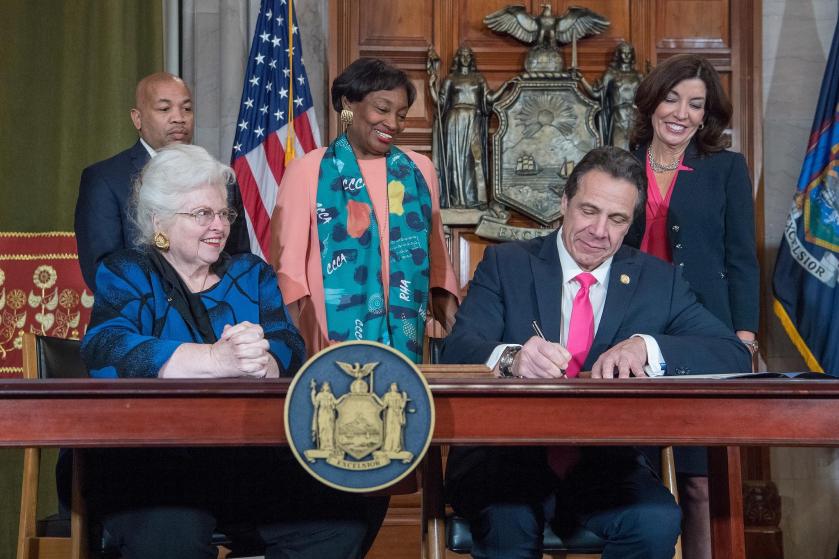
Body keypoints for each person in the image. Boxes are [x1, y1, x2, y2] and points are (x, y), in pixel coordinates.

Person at [440, 146, 751, 559]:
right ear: (565, 203)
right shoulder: (506, 264)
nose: (599, 230)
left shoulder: (658, 282)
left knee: (655, 520)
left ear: (630, 224)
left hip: (606, 463)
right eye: (589, 211)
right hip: (505, 457)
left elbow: (731, 354)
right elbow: (457, 351)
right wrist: (512, 358)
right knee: (508, 518)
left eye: (617, 219)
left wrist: (647, 347)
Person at [79, 144, 383, 559]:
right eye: (202, 214)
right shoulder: (127, 271)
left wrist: (265, 361)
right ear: (158, 221)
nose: (219, 226)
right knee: (173, 536)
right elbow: (106, 347)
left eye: (224, 213)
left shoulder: (250, 273)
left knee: (342, 517)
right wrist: (213, 360)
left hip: (245, 461)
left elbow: (289, 343)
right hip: (150, 464)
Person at [625, 53, 760, 559]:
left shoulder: (726, 168)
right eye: (672, 98)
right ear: (652, 103)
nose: (681, 113)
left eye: (696, 104)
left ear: (707, 115)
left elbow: (741, 257)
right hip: (629, 332)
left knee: (700, 477)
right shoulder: (620, 164)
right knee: (631, 472)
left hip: (704, 332)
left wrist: (744, 335)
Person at [271, 57, 459, 363]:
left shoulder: (420, 170)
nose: (393, 124)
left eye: (401, 115)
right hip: (326, 344)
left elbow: (437, 264)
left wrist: (460, 343)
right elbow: (288, 273)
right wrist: (288, 355)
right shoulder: (307, 171)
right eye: (382, 109)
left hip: (406, 342)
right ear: (349, 104)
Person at [74, 71, 249, 291]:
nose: (179, 118)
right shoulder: (105, 179)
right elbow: (103, 273)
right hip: (143, 309)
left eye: (187, 109)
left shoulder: (220, 177)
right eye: (165, 109)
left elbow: (239, 259)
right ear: (137, 119)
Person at [429, 46, 490, 208]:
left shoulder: (479, 78)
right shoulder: (450, 79)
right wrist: (431, 85)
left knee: (475, 156)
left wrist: (507, 87)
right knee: (455, 160)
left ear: (471, 58)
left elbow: (488, 99)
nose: (465, 58)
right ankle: (457, 199)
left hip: (473, 119)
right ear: (458, 58)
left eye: (468, 55)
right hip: (454, 121)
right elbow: (440, 103)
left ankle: (477, 199)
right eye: (462, 55)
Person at [598, 41, 643, 150]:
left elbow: (647, 95)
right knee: (618, 147)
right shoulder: (610, 74)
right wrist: (581, 80)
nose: (627, 56)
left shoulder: (639, 76)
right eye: (624, 53)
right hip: (618, 114)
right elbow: (597, 94)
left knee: (636, 148)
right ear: (618, 55)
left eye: (629, 53)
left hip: (635, 115)